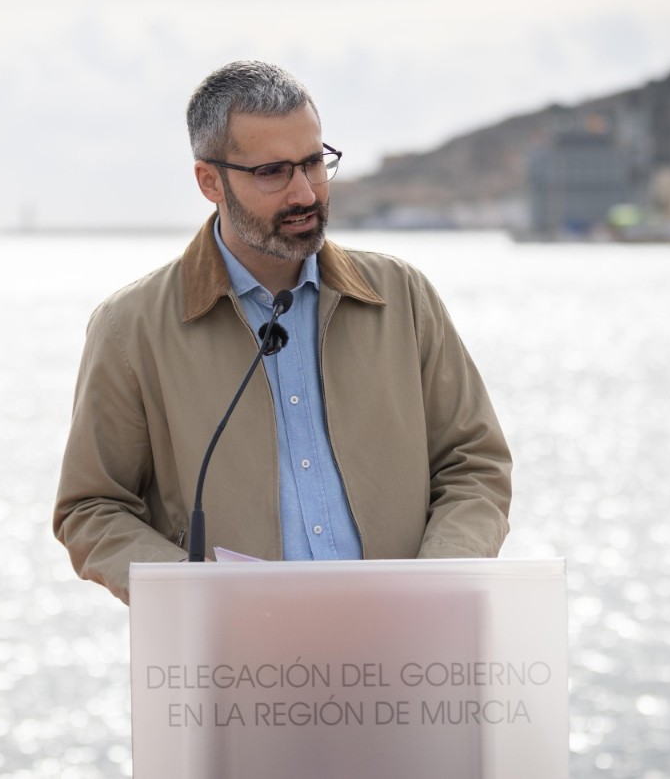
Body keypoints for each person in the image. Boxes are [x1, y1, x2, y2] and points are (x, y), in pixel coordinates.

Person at [53, 60, 512, 604]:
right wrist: (198, 598)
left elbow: (475, 465)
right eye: (272, 172)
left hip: (410, 653)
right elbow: (92, 509)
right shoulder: (130, 329)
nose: (304, 193)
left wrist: (436, 583)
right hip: (235, 669)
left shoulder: (404, 297)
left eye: (313, 163)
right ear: (209, 181)